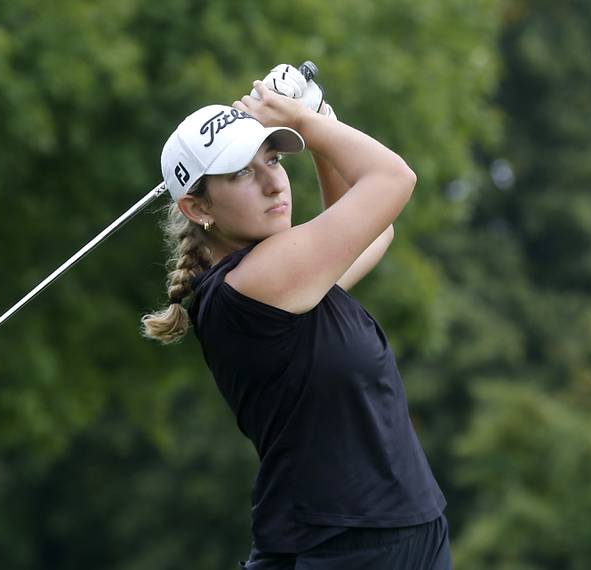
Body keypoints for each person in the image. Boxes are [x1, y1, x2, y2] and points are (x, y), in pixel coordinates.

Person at [141, 65, 452, 569]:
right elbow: (393, 179)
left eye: (274, 159)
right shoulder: (254, 284)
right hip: (340, 551)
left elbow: (375, 231)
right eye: (242, 172)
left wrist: (319, 115)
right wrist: (304, 120)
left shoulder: (283, 278)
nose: (272, 183)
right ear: (199, 207)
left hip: (401, 535)